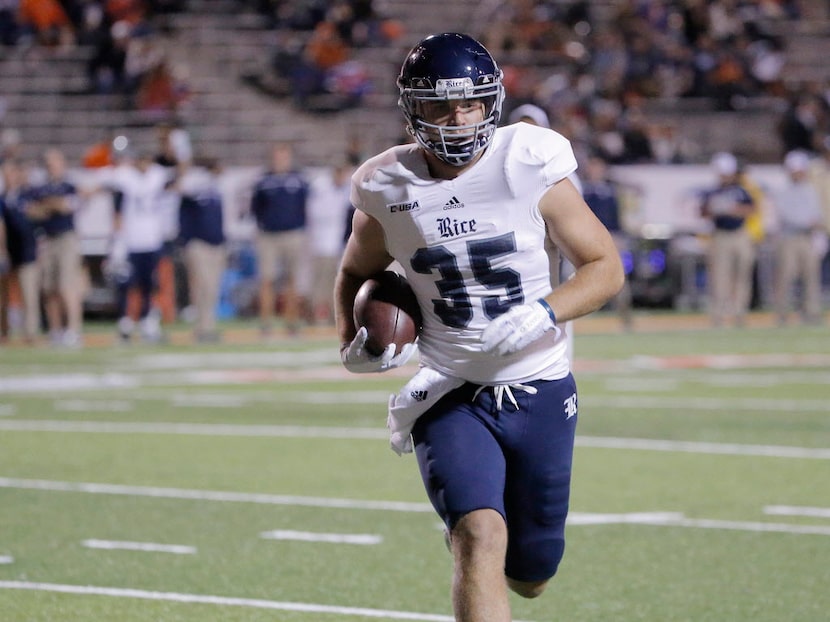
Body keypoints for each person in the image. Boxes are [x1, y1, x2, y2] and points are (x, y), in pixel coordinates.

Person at [333, 33, 624, 622]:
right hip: (449, 388)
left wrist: (540, 313)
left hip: (539, 383)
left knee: (533, 574)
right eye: (441, 105)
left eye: (469, 104)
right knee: (479, 536)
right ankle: (471, 537)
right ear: (413, 108)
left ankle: (496, 555)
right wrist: (351, 340)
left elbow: (606, 267)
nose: (457, 119)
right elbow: (354, 270)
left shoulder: (528, 162)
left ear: (491, 102)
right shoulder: (385, 185)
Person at [104, 150, 173, 343]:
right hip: (130, 240)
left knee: (148, 285)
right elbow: (117, 209)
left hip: (151, 239)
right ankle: (124, 324)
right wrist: (117, 240)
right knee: (125, 285)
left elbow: (176, 182)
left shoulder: (157, 175)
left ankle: (146, 322)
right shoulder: (124, 177)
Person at [250, 142, 309, 336]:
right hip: (268, 236)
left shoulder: (299, 179)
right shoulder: (263, 181)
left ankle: (291, 322)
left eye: (283, 156)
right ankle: (266, 322)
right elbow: (255, 209)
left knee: (291, 280)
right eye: (277, 156)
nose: (280, 160)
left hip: (293, 234)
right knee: (267, 279)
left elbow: (305, 206)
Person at [31, 148, 85, 347]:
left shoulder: (68, 186)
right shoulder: (41, 188)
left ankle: (74, 330)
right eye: (48, 163)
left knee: (66, 286)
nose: (50, 167)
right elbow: (32, 211)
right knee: (49, 288)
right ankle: (55, 331)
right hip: (47, 239)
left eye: (54, 162)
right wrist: (50, 205)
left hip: (65, 239)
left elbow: (66, 206)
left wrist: (48, 205)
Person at [700, 151, 757, 327]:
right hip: (721, 235)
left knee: (742, 275)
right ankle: (718, 315)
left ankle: (740, 313)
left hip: (740, 234)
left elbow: (752, 209)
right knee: (719, 277)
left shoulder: (742, 191)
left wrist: (733, 209)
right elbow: (703, 212)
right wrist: (716, 209)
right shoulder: (712, 191)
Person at [771, 150, 825, 325]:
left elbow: (816, 212)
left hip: (807, 238)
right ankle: (781, 313)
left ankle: (811, 312)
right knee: (786, 276)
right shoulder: (783, 190)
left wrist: (816, 224)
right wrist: (809, 222)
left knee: (811, 276)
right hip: (789, 239)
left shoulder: (809, 189)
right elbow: (787, 215)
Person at [581, 153, 634, 330]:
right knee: (582, 276)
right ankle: (583, 318)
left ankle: (625, 317)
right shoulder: (583, 191)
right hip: (587, 237)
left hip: (611, 236)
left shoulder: (610, 192)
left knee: (618, 276)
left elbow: (618, 218)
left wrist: (620, 237)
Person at [176, 158, 226, 342]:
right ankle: (202, 327)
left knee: (212, 288)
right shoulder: (193, 185)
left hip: (216, 243)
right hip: (198, 243)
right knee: (203, 285)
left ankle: (208, 326)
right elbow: (182, 193)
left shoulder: (216, 188)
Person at [306, 160, 353, 324]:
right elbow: (316, 215)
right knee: (321, 283)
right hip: (323, 242)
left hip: (341, 244)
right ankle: (317, 317)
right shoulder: (320, 188)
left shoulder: (348, 189)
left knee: (339, 282)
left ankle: (336, 317)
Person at [0, 159, 41, 343]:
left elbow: (39, 217)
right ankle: (4, 331)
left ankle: (30, 332)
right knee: (3, 296)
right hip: (7, 252)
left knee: (29, 294)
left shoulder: (27, 196)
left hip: (26, 252)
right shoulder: (3, 199)